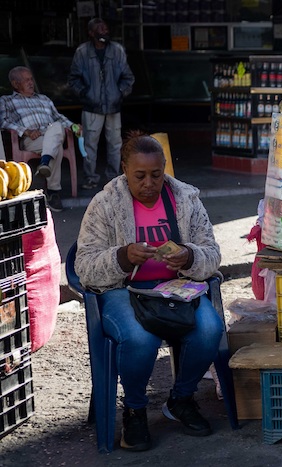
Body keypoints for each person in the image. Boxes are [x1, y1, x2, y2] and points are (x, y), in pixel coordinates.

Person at [74, 132, 223, 452]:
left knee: (210, 329)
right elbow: (83, 265)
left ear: (165, 169)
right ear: (124, 170)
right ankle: (135, 410)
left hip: (175, 288)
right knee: (140, 338)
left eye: (156, 175)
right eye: (139, 176)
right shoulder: (105, 204)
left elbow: (212, 252)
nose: (148, 184)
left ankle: (181, 399)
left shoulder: (185, 199)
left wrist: (189, 256)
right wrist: (122, 257)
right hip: (123, 290)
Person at [0, 66, 80, 212]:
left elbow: (59, 118)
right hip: (33, 140)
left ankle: (45, 162)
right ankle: (53, 191)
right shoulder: (7, 101)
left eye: (31, 79)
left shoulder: (44, 99)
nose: (31, 83)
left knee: (56, 126)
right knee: (57, 147)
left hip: (52, 134)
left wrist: (74, 126)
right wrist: (26, 131)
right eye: (26, 80)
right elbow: (3, 121)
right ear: (15, 84)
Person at [69, 17, 135, 190]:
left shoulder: (117, 50)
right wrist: (85, 94)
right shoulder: (82, 52)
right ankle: (90, 178)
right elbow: (73, 79)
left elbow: (128, 78)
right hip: (91, 107)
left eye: (105, 28)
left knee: (115, 144)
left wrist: (119, 93)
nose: (104, 31)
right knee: (89, 144)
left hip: (114, 107)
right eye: (99, 28)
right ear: (91, 33)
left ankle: (114, 178)